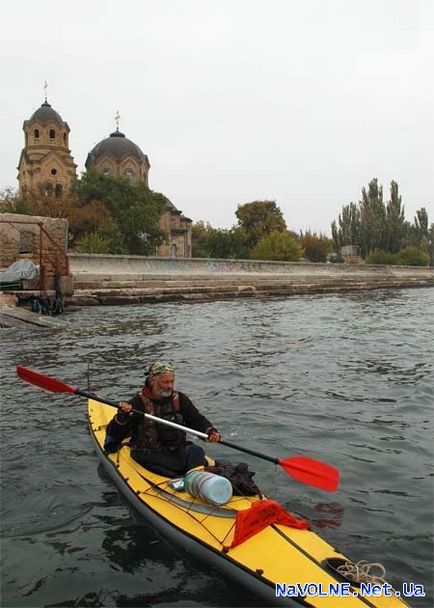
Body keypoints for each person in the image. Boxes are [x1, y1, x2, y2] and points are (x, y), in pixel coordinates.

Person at [104, 361, 221, 477]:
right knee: (176, 465)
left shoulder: (179, 399)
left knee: (197, 451)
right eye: (165, 382)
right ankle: (183, 477)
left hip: (176, 449)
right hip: (148, 454)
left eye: (172, 382)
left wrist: (209, 431)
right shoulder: (137, 404)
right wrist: (122, 416)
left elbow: (196, 420)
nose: (170, 386)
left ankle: (195, 477)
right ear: (152, 381)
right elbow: (114, 434)